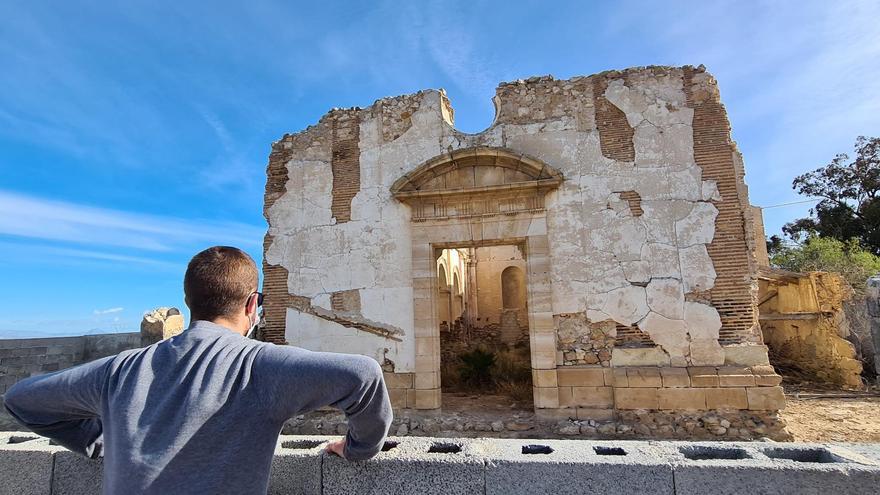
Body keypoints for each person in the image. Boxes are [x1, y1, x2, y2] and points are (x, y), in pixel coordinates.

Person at [4, 246, 392, 494]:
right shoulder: (259, 367)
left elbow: (21, 400)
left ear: (188, 302)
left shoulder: (120, 369)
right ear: (252, 305)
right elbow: (363, 376)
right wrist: (358, 448)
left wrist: (99, 443)